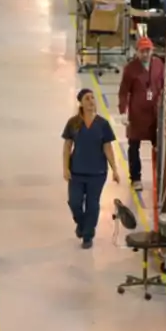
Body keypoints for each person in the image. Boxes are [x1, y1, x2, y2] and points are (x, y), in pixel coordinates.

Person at [62, 89, 121, 248]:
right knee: (74, 202)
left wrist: (114, 169)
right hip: (77, 172)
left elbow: (107, 148)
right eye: (87, 98)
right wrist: (65, 168)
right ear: (81, 103)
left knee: (92, 204)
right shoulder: (73, 123)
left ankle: (88, 235)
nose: (91, 101)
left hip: (97, 173)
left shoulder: (103, 124)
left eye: (92, 98)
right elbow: (67, 147)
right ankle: (81, 224)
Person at [118, 36, 164, 191]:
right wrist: (123, 111)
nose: (145, 54)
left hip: (155, 115)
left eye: (148, 51)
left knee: (159, 147)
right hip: (137, 116)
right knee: (134, 147)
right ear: (137, 51)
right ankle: (135, 178)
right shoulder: (130, 69)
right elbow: (123, 92)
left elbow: (164, 85)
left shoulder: (158, 65)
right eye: (142, 51)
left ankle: (160, 177)